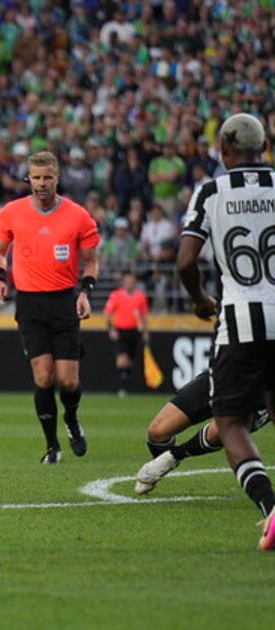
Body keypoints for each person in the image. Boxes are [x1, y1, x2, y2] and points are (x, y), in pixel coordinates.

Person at [176, 113, 275, 551]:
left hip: (239, 322)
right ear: (265, 146)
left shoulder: (212, 191)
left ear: (224, 151)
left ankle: (271, 510)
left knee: (231, 424)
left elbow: (184, 262)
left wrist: (199, 300)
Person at [0, 151, 101, 464]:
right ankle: (52, 447)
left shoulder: (78, 216)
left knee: (68, 381)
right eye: (36, 177)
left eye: (47, 177)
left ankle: (72, 418)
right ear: (29, 178)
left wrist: (85, 292)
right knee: (43, 377)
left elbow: (91, 261)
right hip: (30, 303)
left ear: (57, 178)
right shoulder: (12, 212)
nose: (41, 183)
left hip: (64, 300)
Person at [134, 370, 269, 495]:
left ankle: (174, 456)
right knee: (157, 432)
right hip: (222, 372)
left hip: (260, 387)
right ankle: (158, 464)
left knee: (217, 432)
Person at [103, 270, 149, 397]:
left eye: (132, 281)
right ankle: (123, 386)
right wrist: (111, 329)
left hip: (134, 331)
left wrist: (145, 332)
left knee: (130, 360)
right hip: (120, 330)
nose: (130, 283)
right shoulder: (115, 295)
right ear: (123, 282)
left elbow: (144, 316)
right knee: (121, 360)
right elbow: (108, 313)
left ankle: (125, 383)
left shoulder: (140, 297)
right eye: (127, 281)